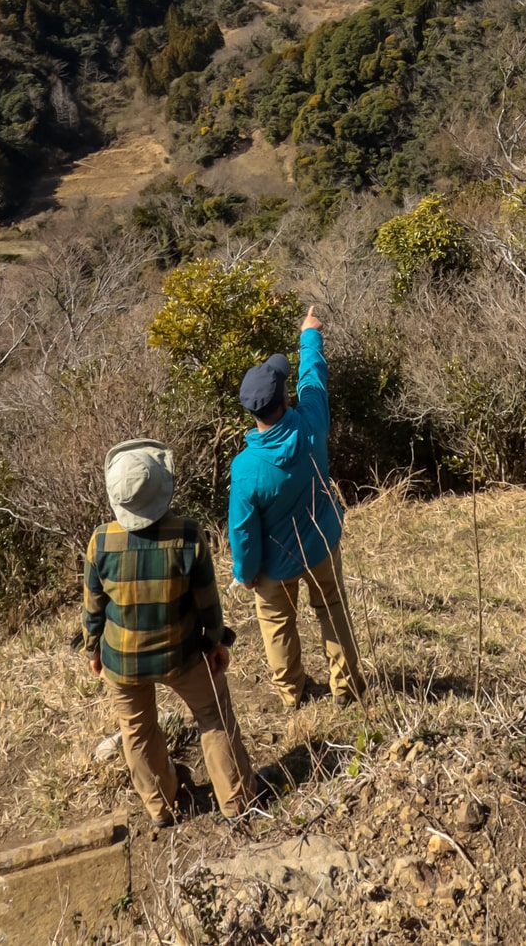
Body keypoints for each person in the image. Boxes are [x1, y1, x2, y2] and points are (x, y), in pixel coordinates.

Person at [83, 438, 255, 825]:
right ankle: (238, 801)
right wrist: (215, 643)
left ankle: (161, 807)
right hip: (183, 653)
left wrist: (93, 649)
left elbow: (93, 607)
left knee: (138, 731)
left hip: (122, 661)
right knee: (213, 716)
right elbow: (209, 604)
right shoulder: (188, 535)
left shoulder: (101, 541)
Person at [228, 305, 366, 711]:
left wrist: (245, 572)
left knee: (276, 625)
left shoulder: (247, 468)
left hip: (273, 565)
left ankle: (292, 693)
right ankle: (347, 686)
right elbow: (314, 379)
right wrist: (310, 335)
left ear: (252, 412)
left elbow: (241, 530)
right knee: (332, 608)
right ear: (284, 398)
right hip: (322, 541)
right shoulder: (311, 424)